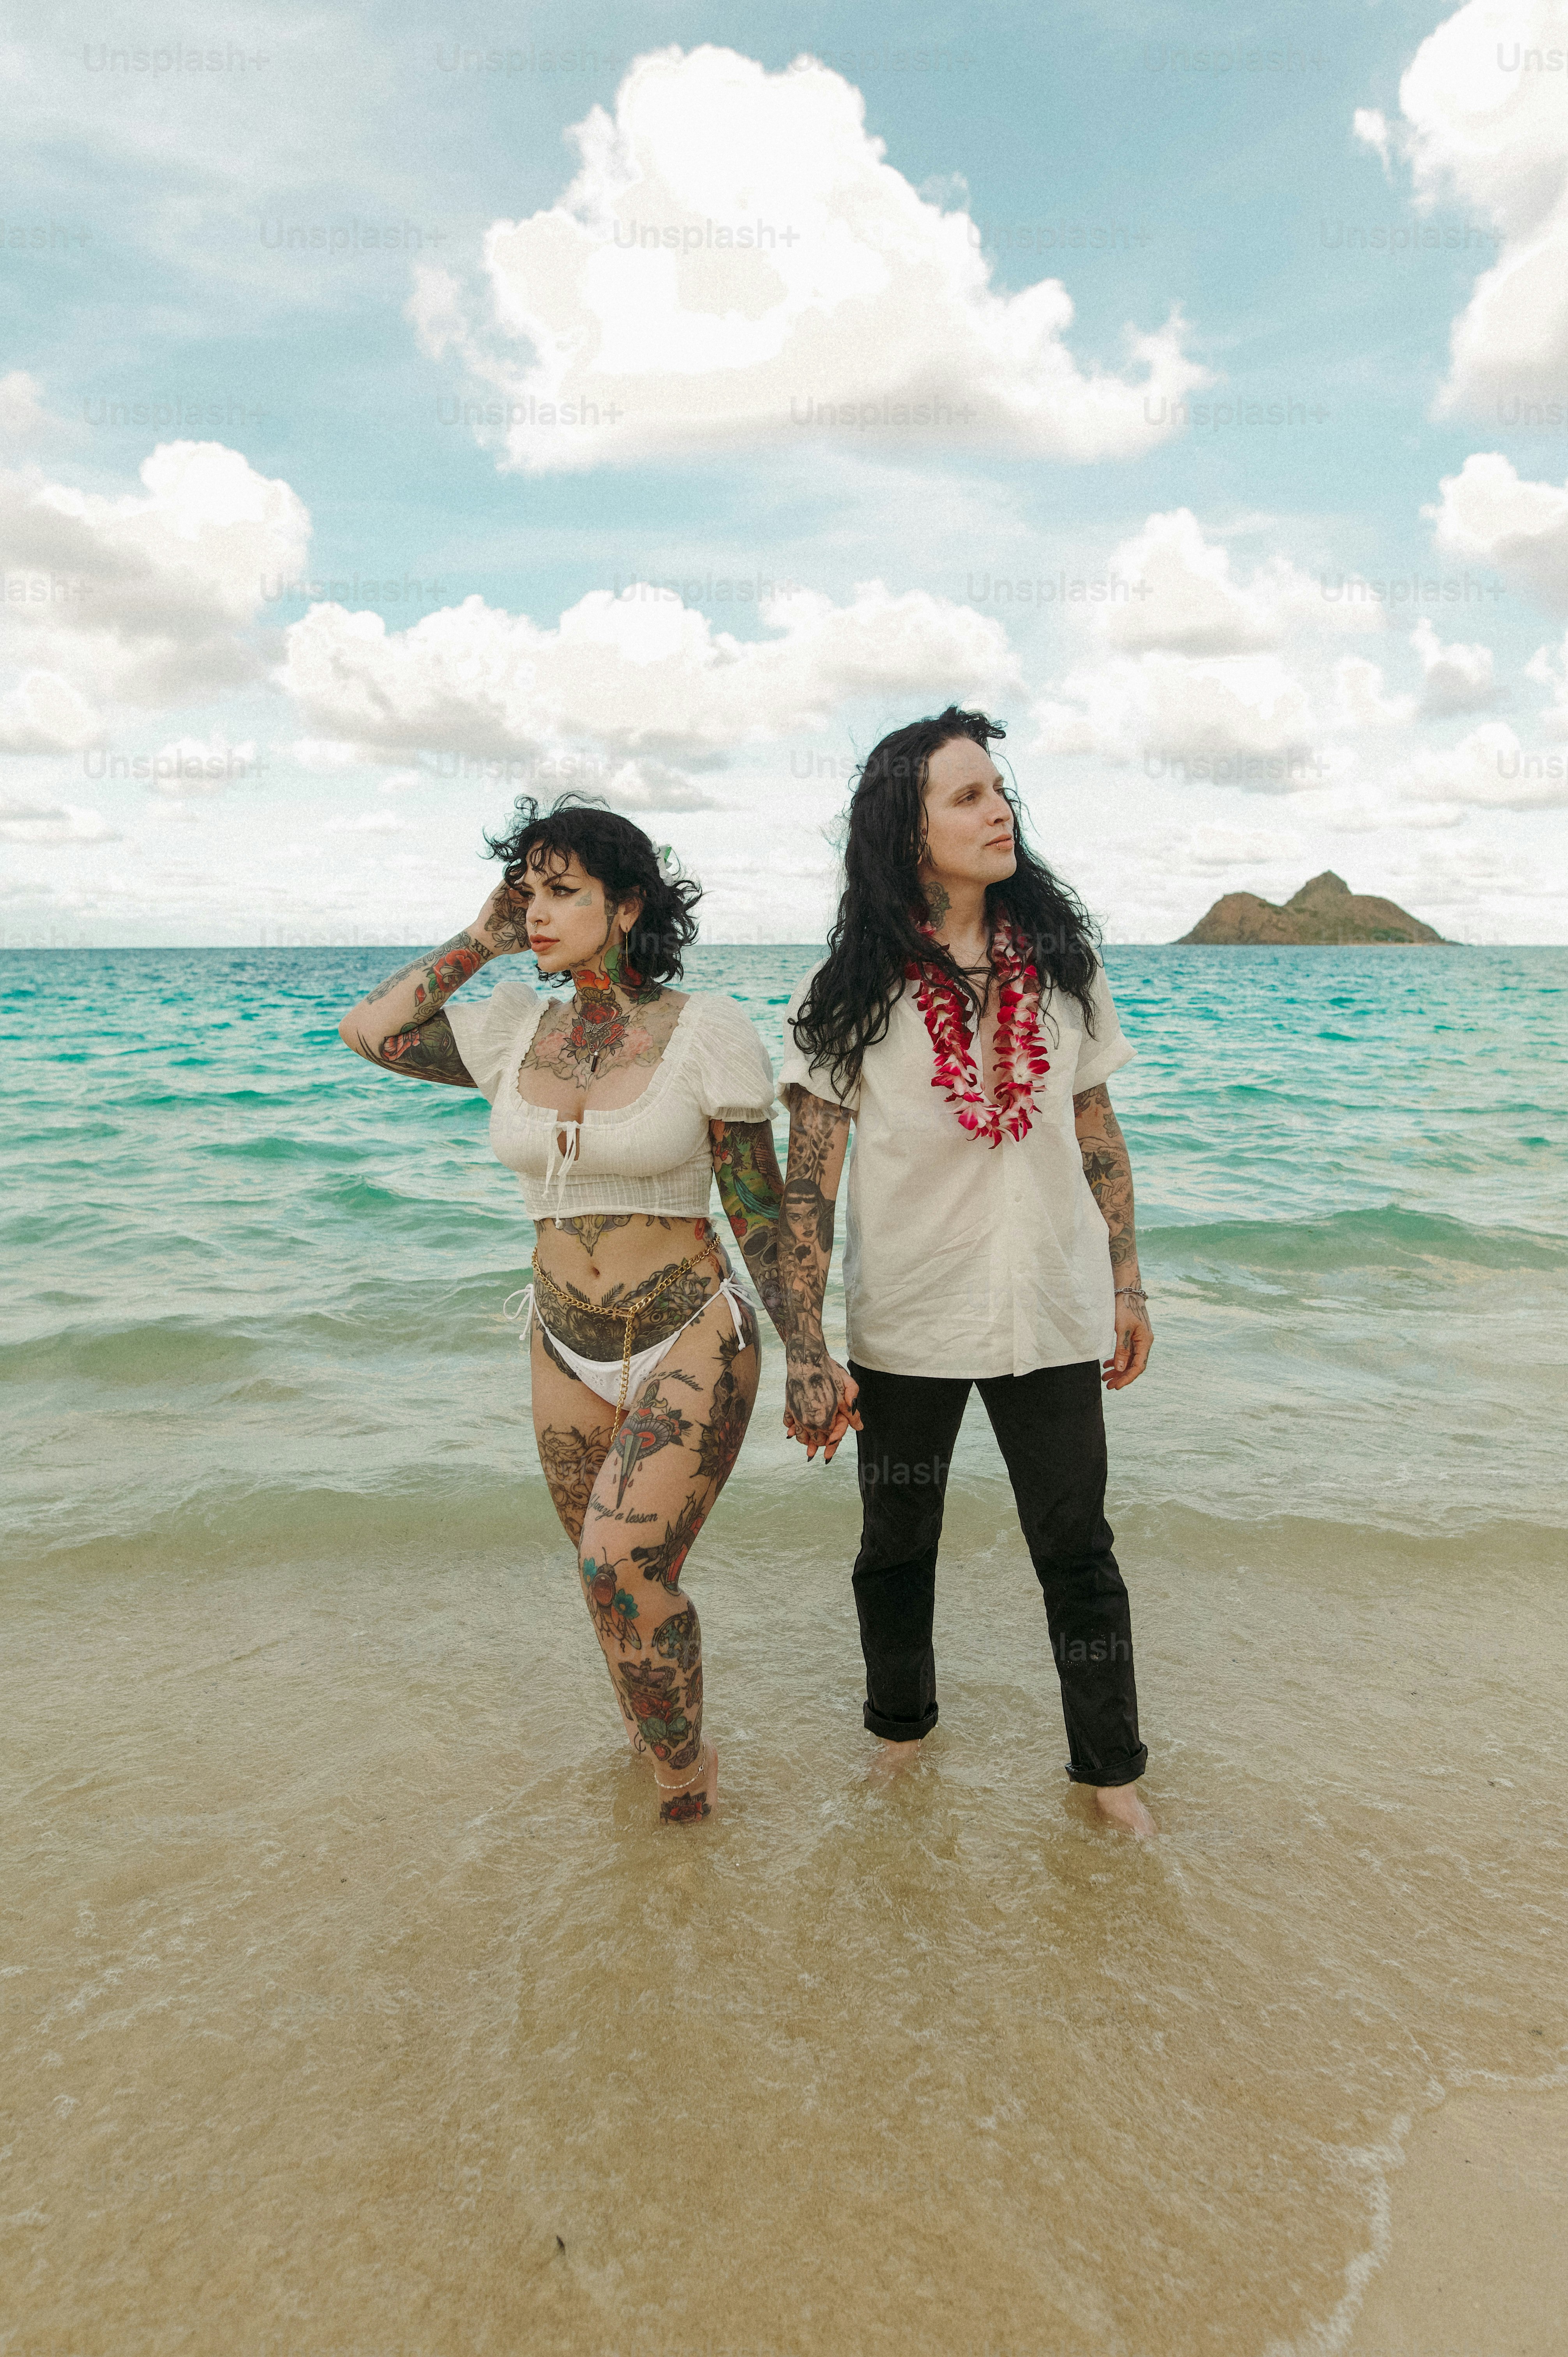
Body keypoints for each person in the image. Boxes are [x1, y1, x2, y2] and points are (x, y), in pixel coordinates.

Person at [336, 797, 787, 1825]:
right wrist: (481, 937)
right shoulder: (511, 1033)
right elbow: (369, 1028)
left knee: (620, 1563)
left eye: (563, 891)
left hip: (693, 1327)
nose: (537, 911)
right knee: (605, 1589)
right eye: (528, 890)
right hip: (561, 1340)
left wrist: (812, 1354)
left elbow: (759, 1210)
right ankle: (654, 1745)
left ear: (627, 907)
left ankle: (687, 1783)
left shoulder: (704, 1032)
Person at [776, 706, 1156, 1834]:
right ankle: (901, 1738)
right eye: (966, 796)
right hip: (909, 1319)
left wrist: (1128, 1284)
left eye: (1000, 791)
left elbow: (1096, 1132)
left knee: (1078, 1548)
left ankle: (1110, 1777)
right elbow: (809, 1184)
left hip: (1051, 1307)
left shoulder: (1065, 974)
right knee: (896, 1546)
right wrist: (803, 1346)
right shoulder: (848, 993)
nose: (999, 811)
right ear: (907, 830)